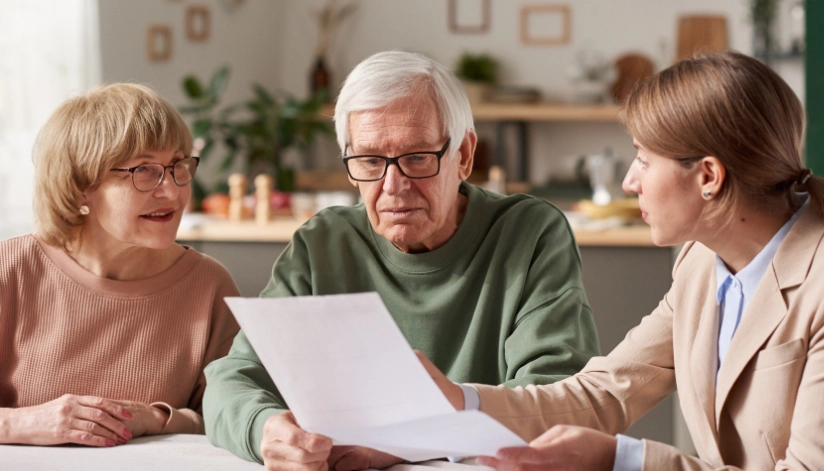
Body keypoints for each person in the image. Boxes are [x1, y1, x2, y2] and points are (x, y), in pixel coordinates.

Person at [422, 50, 824, 470]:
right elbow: (606, 393)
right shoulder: (702, 263)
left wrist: (625, 460)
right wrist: (460, 402)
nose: (630, 181)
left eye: (644, 160)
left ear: (708, 176)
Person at [203, 51, 600, 470]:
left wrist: (405, 445)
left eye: (416, 157)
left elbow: (559, 397)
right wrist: (265, 430)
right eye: (370, 161)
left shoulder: (530, 233)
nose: (393, 186)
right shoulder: (323, 243)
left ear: (463, 156)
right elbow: (232, 380)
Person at [0, 83, 240, 447]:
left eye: (178, 165)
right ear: (81, 184)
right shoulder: (11, 270)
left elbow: (236, 419)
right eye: (144, 170)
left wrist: (158, 418)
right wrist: (22, 423)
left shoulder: (209, 284)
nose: (172, 191)